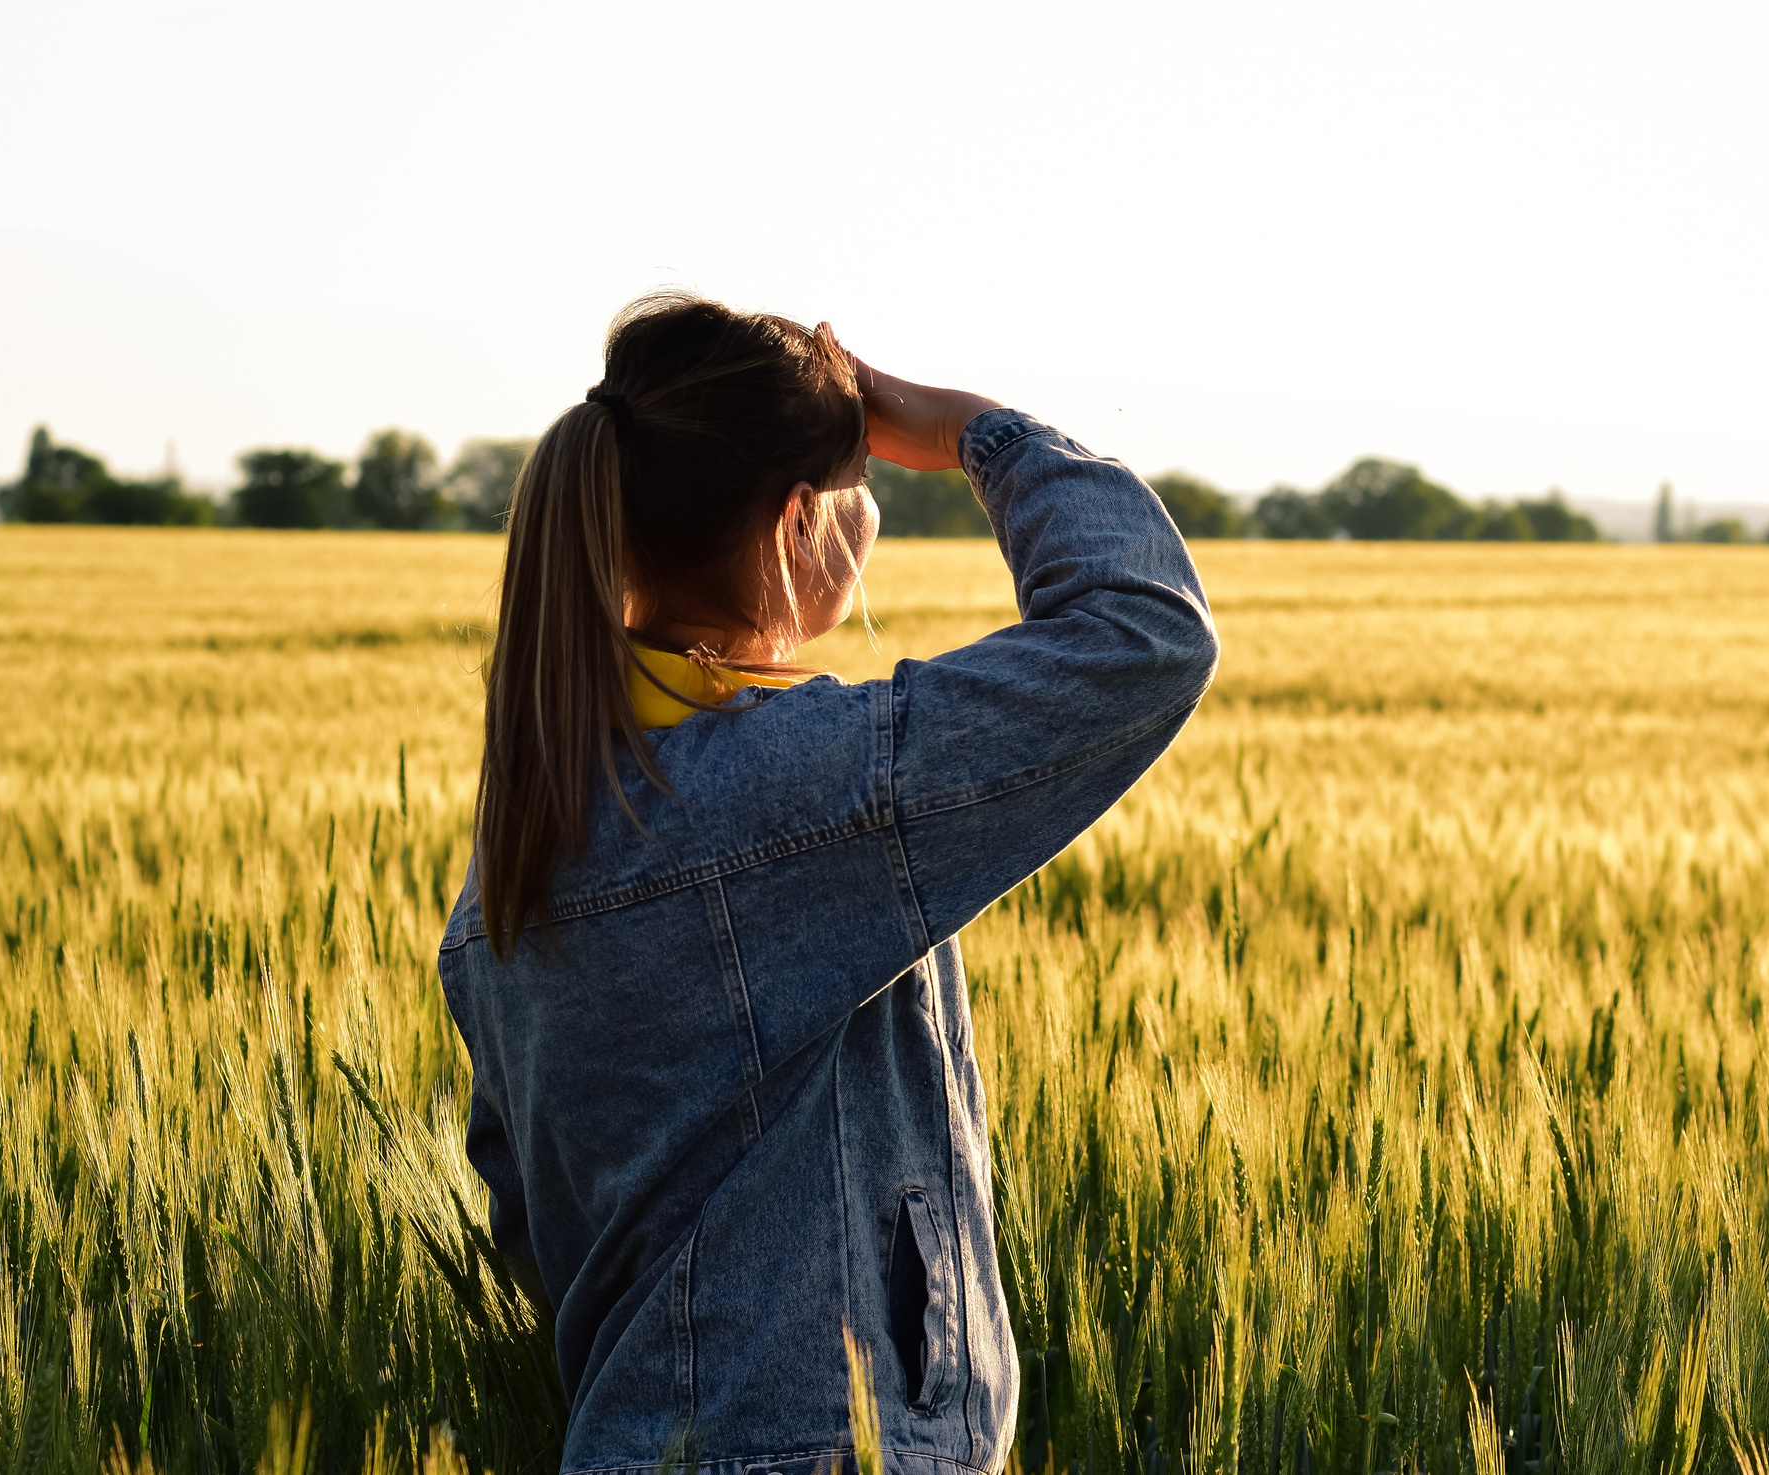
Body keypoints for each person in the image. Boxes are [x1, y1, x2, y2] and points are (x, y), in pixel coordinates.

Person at [437, 292, 1217, 1470]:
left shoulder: (516, 859)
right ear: (801, 518)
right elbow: (1142, 635)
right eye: (861, 488)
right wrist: (976, 433)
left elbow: (527, 1220)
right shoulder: (796, 789)